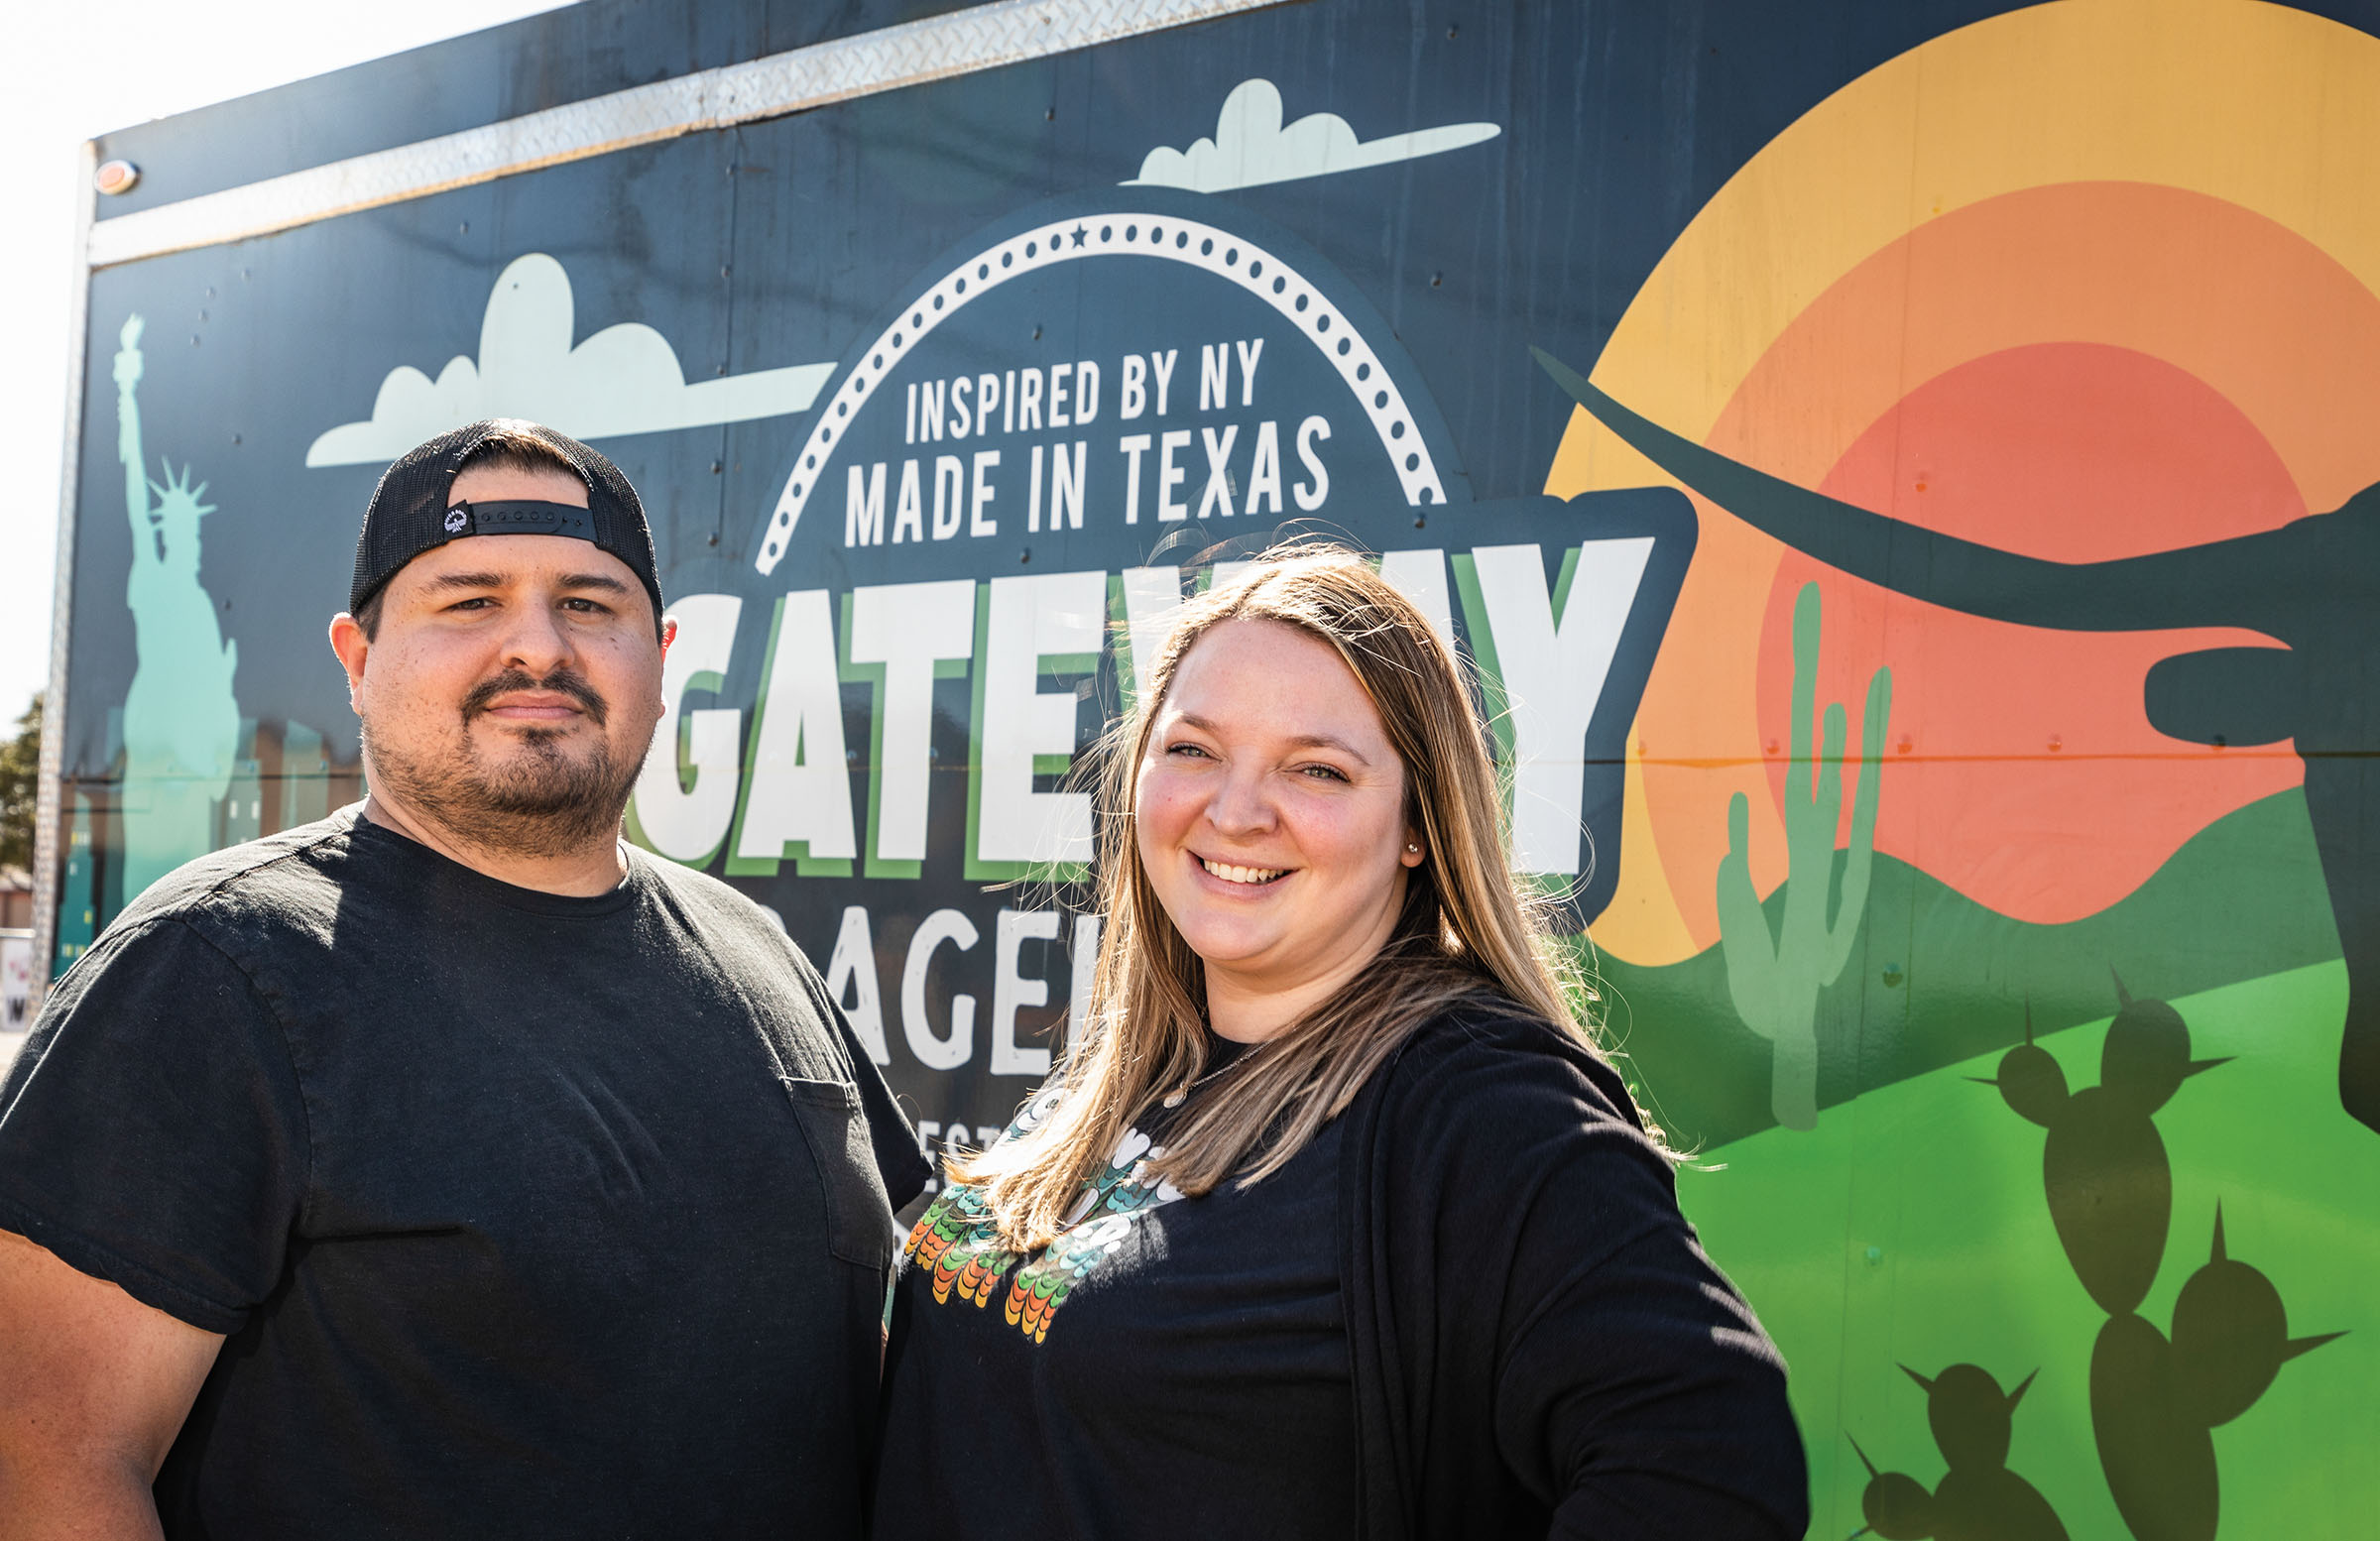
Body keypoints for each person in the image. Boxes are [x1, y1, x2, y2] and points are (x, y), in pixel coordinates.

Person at [0, 420, 928, 1539]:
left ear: (661, 653)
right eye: (470, 599)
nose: (538, 647)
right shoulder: (216, 971)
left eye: (590, 603)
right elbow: (46, 1461)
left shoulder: (761, 955)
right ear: (355, 658)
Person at [874, 547, 1809, 1539]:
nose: (1234, 811)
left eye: (1316, 769)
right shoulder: (1127, 1078)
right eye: (1192, 749)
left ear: (1418, 824)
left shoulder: (1481, 1108)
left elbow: (1714, 1468)